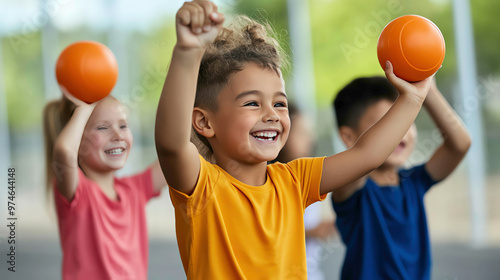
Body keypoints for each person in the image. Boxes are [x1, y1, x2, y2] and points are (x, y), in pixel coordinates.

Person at [155, 1, 434, 278]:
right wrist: (188, 52)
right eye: (252, 103)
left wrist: (413, 98)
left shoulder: (295, 180)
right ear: (204, 122)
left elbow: (367, 155)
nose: (272, 114)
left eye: (280, 104)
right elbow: (172, 145)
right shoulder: (201, 187)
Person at [331, 76, 471, 280]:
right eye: (386, 125)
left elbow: (459, 145)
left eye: (405, 122)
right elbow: (366, 157)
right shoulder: (352, 189)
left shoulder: (414, 182)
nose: (400, 133)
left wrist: (429, 91)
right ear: (349, 137)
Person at [43, 91, 167, 280]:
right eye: (102, 128)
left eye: (123, 125)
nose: (117, 135)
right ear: (78, 141)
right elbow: (64, 151)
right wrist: (85, 108)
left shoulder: (135, 190)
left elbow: (175, 155)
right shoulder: (78, 192)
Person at [273, 104, 336, 280]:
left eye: (309, 132)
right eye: (301, 132)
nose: (309, 138)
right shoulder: (269, 181)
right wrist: (311, 232)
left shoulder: (307, 177)